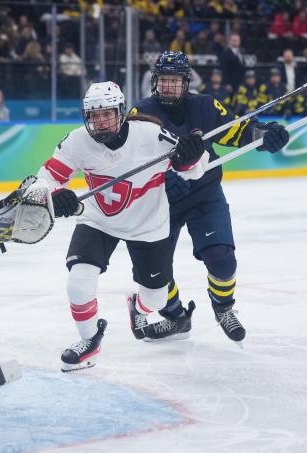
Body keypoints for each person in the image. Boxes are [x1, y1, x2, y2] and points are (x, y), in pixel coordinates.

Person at [36, 81, 208, 371]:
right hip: (98, 220)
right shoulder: (77, 141)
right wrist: (54, 193)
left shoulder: (151, 136)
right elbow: (45, 178)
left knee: (156, 297)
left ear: (121, 112)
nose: (101, 122)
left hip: (148, 224)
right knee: (78, 282)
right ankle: (89, 342)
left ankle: (138, 307)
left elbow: (194, 170)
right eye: (94, 115)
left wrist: (189, 159)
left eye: (107, 114)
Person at [129, 51, 289, 344]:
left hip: (204, 192)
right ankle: (177, 318)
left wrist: (264, 135)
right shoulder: (141, 115)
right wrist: (163, 179)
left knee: (222, 259)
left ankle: (223, 308)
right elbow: (129, 165)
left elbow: (238, 132)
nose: (168, 87)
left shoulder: (205, 105)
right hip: (159, 201)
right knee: (154, 275)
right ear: (155, 82)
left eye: (174, 81)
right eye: (163, 80)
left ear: (186, 82)